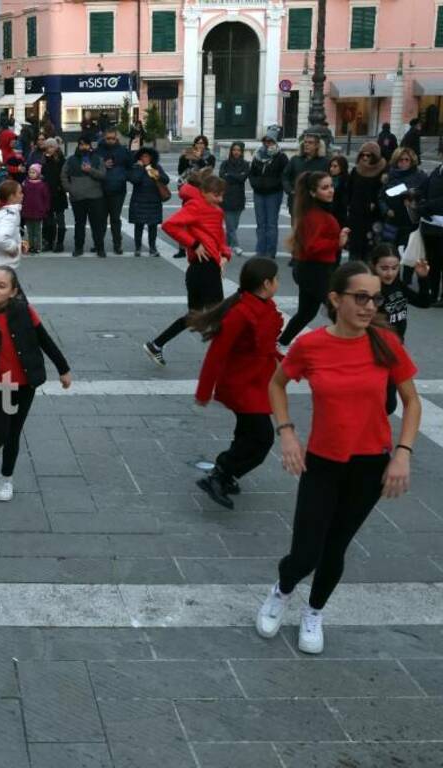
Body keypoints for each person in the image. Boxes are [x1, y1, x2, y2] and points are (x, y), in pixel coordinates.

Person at [257, 261, 421, 655]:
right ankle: (281, 589)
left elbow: (412, 402)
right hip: (323, 462)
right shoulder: (312, 345)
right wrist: (287, 432)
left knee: (335, 548)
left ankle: (314, 611)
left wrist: (402, 454)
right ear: (335, 299)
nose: (369, 306)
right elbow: (276, 384)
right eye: (360, 297)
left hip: (369, 467)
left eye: (375, 298)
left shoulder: (385, 343)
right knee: (305, 552)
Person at [0, 266, 71, 501]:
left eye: (2, 286)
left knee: (14, 433)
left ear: (14, 291)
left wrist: (63, 368)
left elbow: (45, 340)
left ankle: (6, 479)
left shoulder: (26, 312)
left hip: (26, 384)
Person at [191, 257, 282, 508]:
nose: (278, 283)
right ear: (266, 283)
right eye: (276, 279)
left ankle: (226, 475)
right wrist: (203, 393)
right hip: (242, 385)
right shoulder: (241, 312)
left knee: (247, 433)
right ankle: (220, 472)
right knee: (262, 438)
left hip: (256, 380)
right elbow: (215, 355)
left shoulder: (263, 305)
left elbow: (266, 345)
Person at [143, 176, 231, 365]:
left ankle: (156, 345)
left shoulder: (216, 210)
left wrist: (224, 255)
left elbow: (219, 236)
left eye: (222, 195)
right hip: (204, 267)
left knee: (195, 316)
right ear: (205, 192)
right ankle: (224, 359)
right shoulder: (196, 206)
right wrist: (194, 243)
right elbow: (169, 225)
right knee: (219, 316)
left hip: (205, 267)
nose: (220, 199)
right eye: (216, 195)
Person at [279, 173, 351, 347]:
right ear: (313, 192)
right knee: (337, 309)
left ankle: (281, 342)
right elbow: (311, 246)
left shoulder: (317, 211)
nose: (330, 191)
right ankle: (352, 345)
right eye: (324, 188)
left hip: (313, 269)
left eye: (331, 186)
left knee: (306, 312)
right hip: (315, 270)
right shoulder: (316, 215)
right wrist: (337, 242)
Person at [371, 243, 431, 414]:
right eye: (384, 268)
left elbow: (424, 302)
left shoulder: (398, 284)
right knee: (382, 402)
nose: (389, 273)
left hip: (395, 349)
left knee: (389, 404)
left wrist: (423, 278)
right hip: (376, 350)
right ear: (374, 266)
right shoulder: (371, 290)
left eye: (394, 268)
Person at [61, 135, 107, 257]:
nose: (83, 147)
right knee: (79, 224)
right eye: (81, 144)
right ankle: (78, 248)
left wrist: (90, 170)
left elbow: (103, 175)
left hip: (95, 197)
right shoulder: (71, 160)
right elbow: (63, 175)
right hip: (77, 197)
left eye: (86, 144)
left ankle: (100, 248)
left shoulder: (97, 159)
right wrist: (70, 189)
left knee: (96, 224)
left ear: (90, 146)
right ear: (78, 146)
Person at [249, 132, 289, 259]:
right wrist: (255, 184)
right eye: (265, 141)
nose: (267, 144)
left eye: (270, 141)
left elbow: (284, 175)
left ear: (275, 142)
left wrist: (273, 184)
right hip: (258, 193)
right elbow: (252, 173)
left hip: (274, 193)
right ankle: (260, 250)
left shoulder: (281, 157)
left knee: (271, 223)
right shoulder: (257, 155)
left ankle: (271, 251)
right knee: (260, 223)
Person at [378, 147, 425, 255]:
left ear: (412, 161)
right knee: (389, 252)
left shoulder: (420, 177)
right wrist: (386, 210)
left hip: (410, 222)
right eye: (401, 160)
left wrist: (414, 203)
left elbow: (424, 197)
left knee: (409, 254)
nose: (403, 162)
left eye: (406, 160)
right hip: (392, 221)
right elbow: (381, 196)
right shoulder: (390, 176)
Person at [93, 129, 132, 254]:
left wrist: (122, 176)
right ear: (104, 138)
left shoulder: (123, 151)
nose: (110, 140)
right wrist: (102, 164)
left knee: (115, 219)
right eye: (108, 138)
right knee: (101, 219)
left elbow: (130, 166)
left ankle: (117, 244)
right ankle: (99, 244)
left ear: (116, 139)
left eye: (112, 138)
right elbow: (92, 167)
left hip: (118, 189)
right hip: (101, 189)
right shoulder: (98, 151)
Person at [346, 142, 385, 262]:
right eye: (363, 155)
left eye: (369, 155)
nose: (365, 158)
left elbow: (383, 192)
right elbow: (349, 189)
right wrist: (349, 204)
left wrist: (374, 203)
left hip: (372, 214)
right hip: (356, 212)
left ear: (375, 156)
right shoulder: (356, 170)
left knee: (370, 246)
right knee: (355, 245)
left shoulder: (382, 171)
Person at [128, 147, 169, 257]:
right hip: (139, 201)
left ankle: (152, 247)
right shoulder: (136, 167)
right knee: (139, 226)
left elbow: (166, 179)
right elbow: (134, 180)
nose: (145, 158)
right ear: (139, 157)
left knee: (153, 226)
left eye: (147, 156)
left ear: (152, 157)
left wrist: (158, 175)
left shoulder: (156, 167)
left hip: (154, 201)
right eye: (143, 156)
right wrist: (142, 168)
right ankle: (137, 248)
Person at [283, 132, 330, 222]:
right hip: (296, 202)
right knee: (297, 232)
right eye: (305, 142)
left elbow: (329, 182)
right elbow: (285, 176)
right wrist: (290, 191)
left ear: (317, 145)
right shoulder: (295, 160)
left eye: (310, 142)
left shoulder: (324, 162)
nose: (306, 145)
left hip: (316, 204)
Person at [415, 160, 443, 305]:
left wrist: (426, 206)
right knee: (433, 261)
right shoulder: (436, 171)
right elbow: (423, 189)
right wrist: (415, 196)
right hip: (430, 226)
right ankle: (433, 294)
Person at [219, 141, 249, 257]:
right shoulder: (225, 164)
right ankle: (236, 246)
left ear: (241, 152)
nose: (236, 152)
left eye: (238, 150)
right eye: (234, 150)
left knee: (234, 225)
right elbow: (222, 176)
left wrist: (230, 175)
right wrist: (236, 176)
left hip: (239, 198)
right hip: (226, 197)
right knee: (231, 225)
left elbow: (243, 178)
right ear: (231, 151)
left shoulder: (245, 164)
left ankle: (225, 245)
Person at [21, 164, 50, 254]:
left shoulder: (42, 185)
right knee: (30, 230)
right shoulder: (25, 183)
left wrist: (45, 208)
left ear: (38, 174)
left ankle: (37, 246)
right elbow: (21, 195)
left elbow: (46, 198)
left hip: (38, 211)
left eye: (33, 172)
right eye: (30, 172)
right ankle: (31, 246)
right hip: (27, 210)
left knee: (37, 230)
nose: (31, 174)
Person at [327, 154, 350, 228]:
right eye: (331, 166)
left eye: (335, 166)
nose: (331, 169)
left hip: (340, 217)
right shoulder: (327, 179)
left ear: (342, 167)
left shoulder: (347, 181)